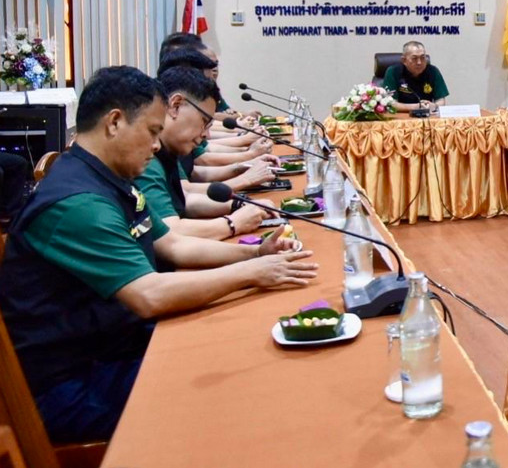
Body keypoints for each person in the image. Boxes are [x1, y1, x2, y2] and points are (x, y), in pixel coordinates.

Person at [0, 66, 317, 444]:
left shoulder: (105, 178)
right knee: (234, 388)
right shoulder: (77, 202)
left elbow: (172, 245)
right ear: (114, 122)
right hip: (73, 386)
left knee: (236, 347)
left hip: (114, 348)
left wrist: (255, 256)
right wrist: (253, 274)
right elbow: (149, 294)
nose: (156, 145)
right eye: (152, 131)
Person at [133, 67, 272, 241]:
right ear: (175, 105)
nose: (207, 134)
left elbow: (185, 198)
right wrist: (232, 223)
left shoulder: (168, 148)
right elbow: (170, 233)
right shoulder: (146, 159)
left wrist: (239, 204)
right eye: (204, 122)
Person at [383, 40, 449, 112]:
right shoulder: (393, 72)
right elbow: (390, 103)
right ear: (404, 60)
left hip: (426, 115)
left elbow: (441, 100)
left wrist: (434, 106)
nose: (419, 62)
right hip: (401, 116)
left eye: (422, 57)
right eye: (414, 58)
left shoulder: (433, 71)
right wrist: (416, 107)